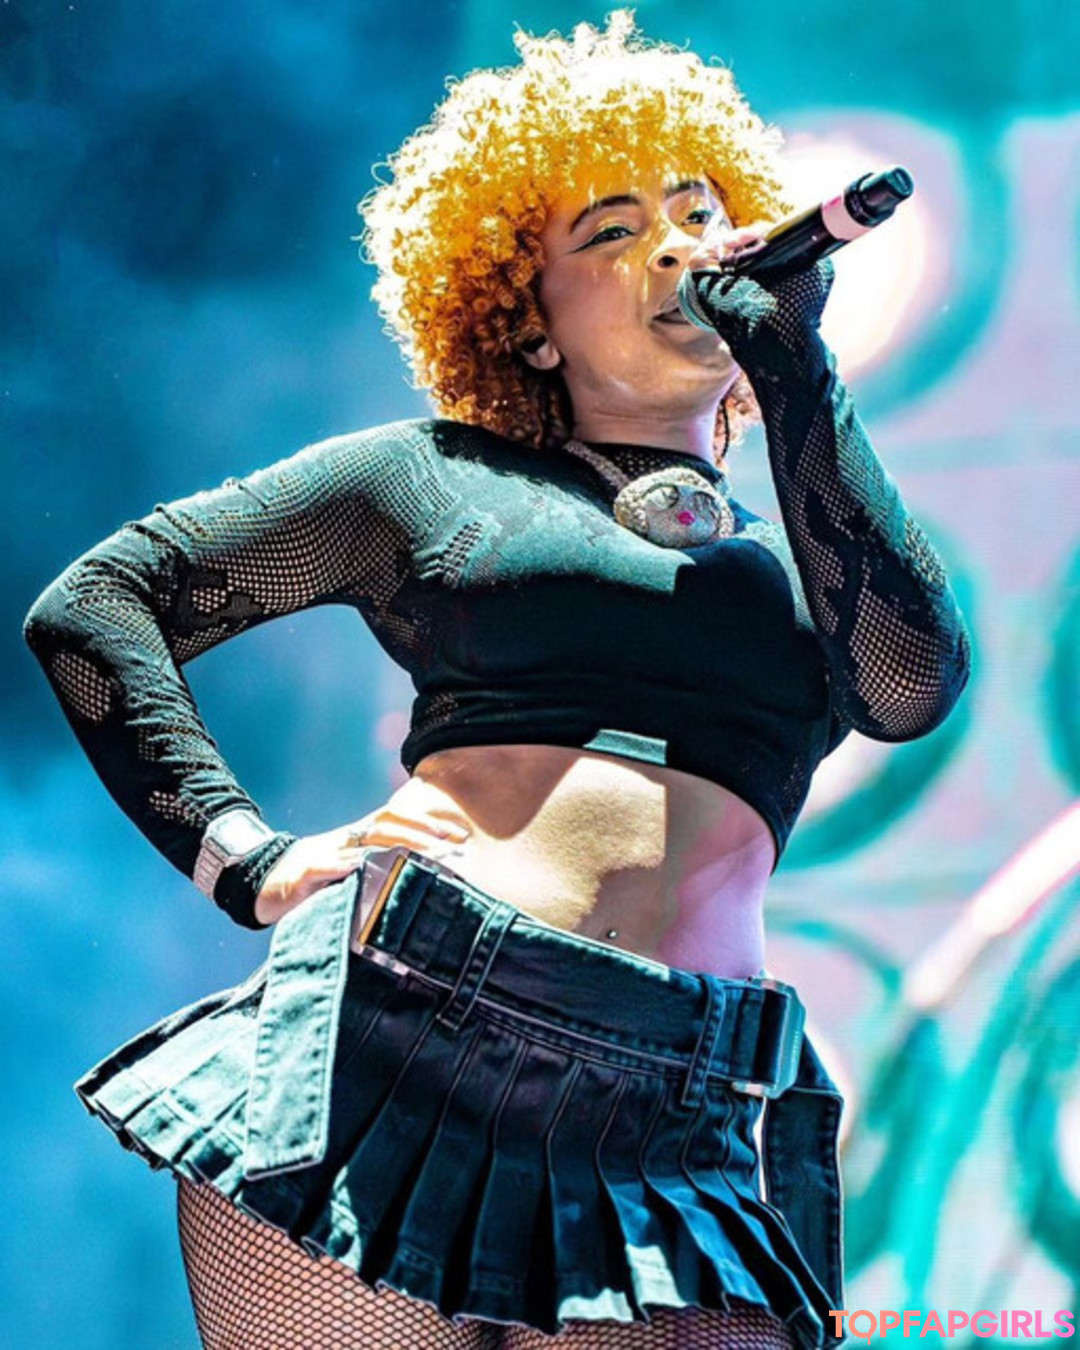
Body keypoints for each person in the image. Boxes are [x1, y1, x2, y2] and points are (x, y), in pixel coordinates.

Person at [23, 13, 970, 1350]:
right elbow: (97, 606)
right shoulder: (431, 476)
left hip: (681, 1100)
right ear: (528, 325)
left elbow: (911, 686)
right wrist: (249, 861)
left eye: (698, 213)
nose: (676, 247)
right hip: (398, 1034)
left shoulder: (802, 557)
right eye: (611, 230)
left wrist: (795, 361)